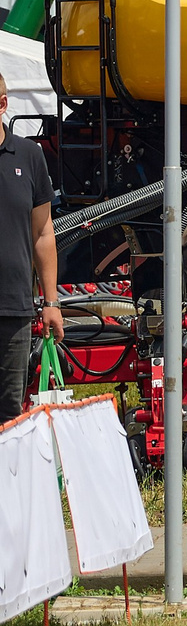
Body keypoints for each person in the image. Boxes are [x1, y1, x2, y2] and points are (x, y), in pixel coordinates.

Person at [0, 73, 65, 424]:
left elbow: (43, 232)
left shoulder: (29, 156)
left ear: (2, 104)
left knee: (10, 413)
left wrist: (51, 302)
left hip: (13, 308)